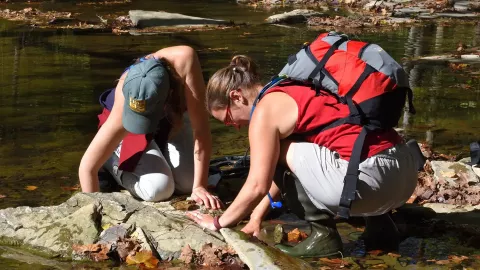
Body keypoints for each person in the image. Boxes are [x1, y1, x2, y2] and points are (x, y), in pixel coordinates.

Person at [187, 55, 419, 257]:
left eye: (229, 119)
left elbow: (259, 184)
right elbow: (288, 169)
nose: (235, 126)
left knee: (280, 151)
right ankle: (381, 228)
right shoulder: (297, 87)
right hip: (404, 177)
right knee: (328, 148)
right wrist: (256, 217)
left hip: (372, 184)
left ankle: (324, 237)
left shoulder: (265, 111)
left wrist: (218, 222)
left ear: (236, 96)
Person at [79, 46, 222, 210]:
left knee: (188, 183)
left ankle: (161, 157)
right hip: (130, 123)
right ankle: (110, 160)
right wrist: (92, 214)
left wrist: (199, 186)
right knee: (159, 189)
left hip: (174, 114)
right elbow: (87, 167)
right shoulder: (124, 101)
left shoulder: (185, 61)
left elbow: (201, 130)